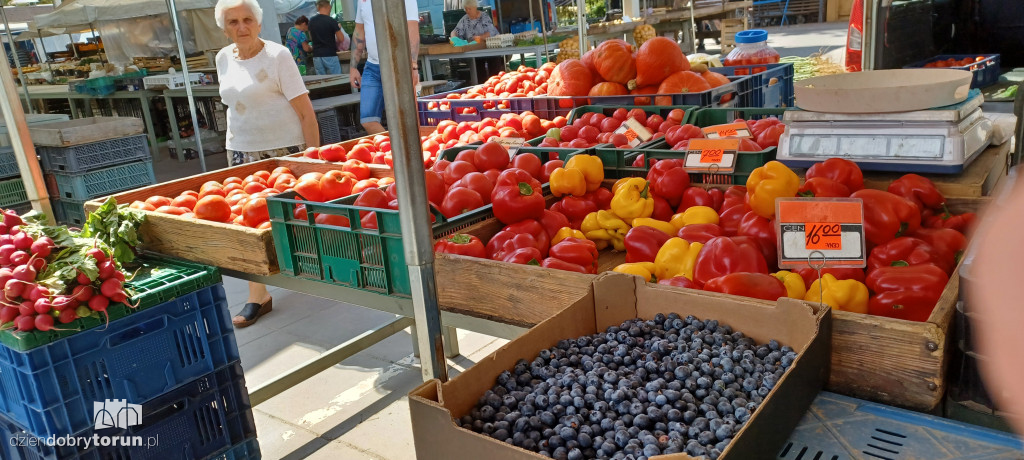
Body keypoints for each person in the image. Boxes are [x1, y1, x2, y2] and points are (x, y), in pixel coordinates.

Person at [214, 0, 320, 327]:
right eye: (233, 22)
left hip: (283, 152)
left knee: (295, 222)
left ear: (259, 23)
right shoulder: (222, 58)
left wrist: (312, 158)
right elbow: (233, 105)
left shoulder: (278, 56)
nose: (241, 27)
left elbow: (305, 112)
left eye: (247, 20)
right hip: (242, 153)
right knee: (246, 225)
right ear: (224, 26)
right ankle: (257, 295)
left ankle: (317, 277)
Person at [350, 0, 419, 135]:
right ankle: (391, 152)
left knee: (406, 120)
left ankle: (405, 153)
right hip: (372, 66)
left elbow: (412, 30)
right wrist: (353, 67)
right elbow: (359, 31)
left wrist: (413, 64)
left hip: (399, 66)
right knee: (367, 120)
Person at [449, 0, 505, 84]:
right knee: (479, 73)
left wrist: (480, 38)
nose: (467, 11)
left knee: (494, 74)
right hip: (475, 51)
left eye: (469, 9)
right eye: (466, 9)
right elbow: (455, 31)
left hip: (490, 49)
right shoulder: (465, 19)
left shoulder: (484, 17)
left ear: (475, 7)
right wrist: (453, 38)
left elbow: (491, 32)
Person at [309, 0, 348, 75]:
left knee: (322, 81)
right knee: (336, 79)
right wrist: (339, 28)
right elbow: (341, 39)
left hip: (317, 56)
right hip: (330, 54)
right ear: (328, 7)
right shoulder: (331, 21)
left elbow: (311, 38)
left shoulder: (311, 21)